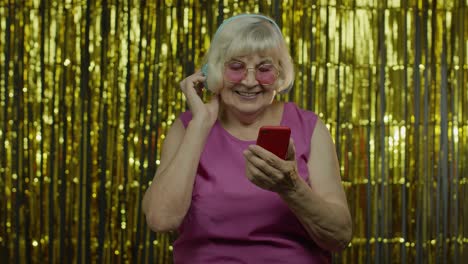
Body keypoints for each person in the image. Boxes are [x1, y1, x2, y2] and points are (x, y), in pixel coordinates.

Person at [142, 13, 352, 263]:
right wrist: (200, 125)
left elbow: (339, 236)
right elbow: (161, 219)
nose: (250, 81)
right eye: (236, 67)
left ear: (279, 74)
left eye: (264, 69)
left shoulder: (309, 127)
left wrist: (291, 187)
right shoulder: (188, 126)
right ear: (213, 71)